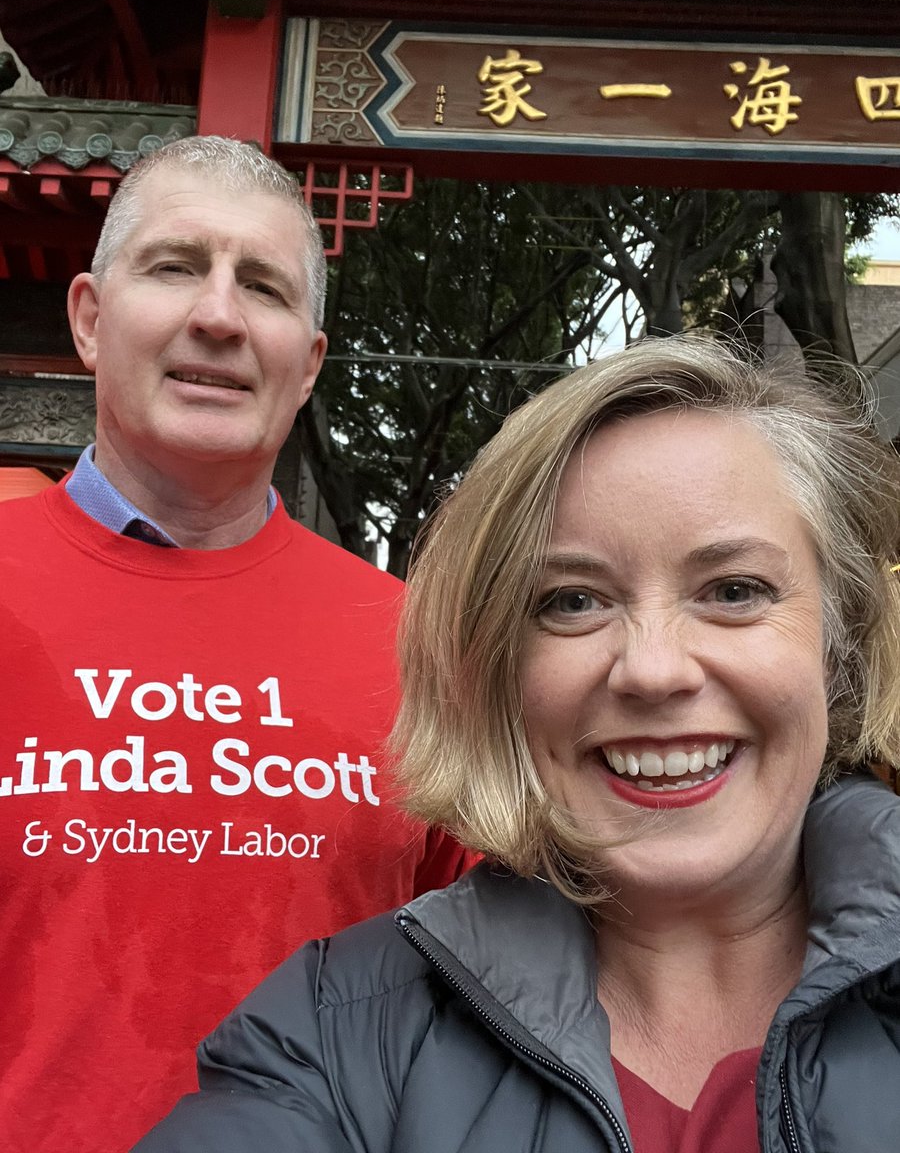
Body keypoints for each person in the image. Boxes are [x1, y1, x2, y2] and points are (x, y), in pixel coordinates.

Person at [134, 334, 900, 1153]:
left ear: (840, 641)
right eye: (572, 601)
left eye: (735, 591)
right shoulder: (330, 1035)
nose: (651, 670)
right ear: (498, 669)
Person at [0, 136, 470, 1153]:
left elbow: (493, 991)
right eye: (175, 267)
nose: (217, 315)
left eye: (262, 285)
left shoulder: (413, 644)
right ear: (89, 319)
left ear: (306, 363)